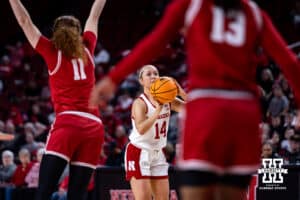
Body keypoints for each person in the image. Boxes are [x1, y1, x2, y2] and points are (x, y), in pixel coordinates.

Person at [89, 0, 300, 199]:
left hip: (206, 107)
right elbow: (290, 63)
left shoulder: (192, 5)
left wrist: (113, 79)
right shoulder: (253, 12)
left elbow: (154, 42)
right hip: (243, 112)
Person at [9, 0, 106, 199]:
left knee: (44, 190)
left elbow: (24, 21)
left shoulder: (52, 51)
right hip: (94, 127)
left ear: (56, 32)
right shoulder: (88, 46)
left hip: (68, 122)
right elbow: (94, 15)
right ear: (79, 32)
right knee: (77, 195)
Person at [125, 65, 186, 200]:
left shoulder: (168, 99)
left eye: (156, 73)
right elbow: (141, 129)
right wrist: (157, 111)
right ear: (141, 81)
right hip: (139, 152)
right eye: (148, 74)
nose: (153, 76)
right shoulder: (139, 103)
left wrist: (180, 92)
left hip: (158, 152)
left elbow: (194, 109)